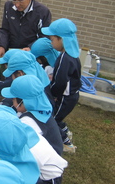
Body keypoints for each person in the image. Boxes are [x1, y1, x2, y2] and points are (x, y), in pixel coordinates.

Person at [41, 18, 81, 153]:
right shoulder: (72, 55)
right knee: (58, 116)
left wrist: (53, 95)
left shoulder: (64, 58)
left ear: (61, 39)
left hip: (65, 97)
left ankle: (66, 144)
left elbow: (60, 82)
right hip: (71, 96)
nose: (51, 43)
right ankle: (66, 132)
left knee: (52, 118)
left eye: (52, 40)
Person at [1, 75, 64, 156]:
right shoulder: (41, 112)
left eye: (13, 99)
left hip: (41, 162)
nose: (12, 101)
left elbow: (14, 146)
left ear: (23, 101)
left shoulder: (28, 122)